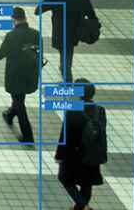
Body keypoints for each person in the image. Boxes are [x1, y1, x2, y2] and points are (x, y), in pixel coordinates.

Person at [55, 79, 107, 210]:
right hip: (92, 153)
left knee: (64, 179)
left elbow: (65, 136)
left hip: (74, 154)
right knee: (86, 182)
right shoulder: (100, 110)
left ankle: (83, 206)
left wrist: (59, 155)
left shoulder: (73, 111)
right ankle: (80, 206)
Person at [0, 7, 40, 144]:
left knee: (19, 102)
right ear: (25, 18)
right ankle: (9, 114)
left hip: (15, 75)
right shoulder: (36, 34)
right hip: (30, 73)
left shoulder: (11, 36)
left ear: (13, 19)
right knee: (19, 98)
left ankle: (28, 135)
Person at [37, 0, 97, 82]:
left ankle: (68, 82)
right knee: (66, 56)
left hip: (59, 33)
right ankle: (65, 77)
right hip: (75, 33)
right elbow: (92, 15)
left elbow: (38, 11)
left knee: (65, 59)